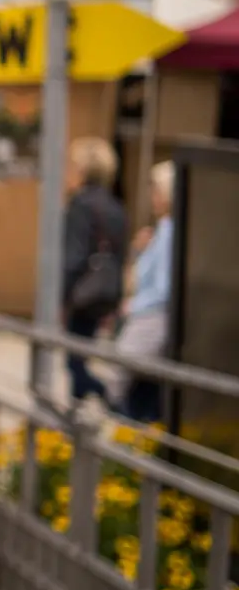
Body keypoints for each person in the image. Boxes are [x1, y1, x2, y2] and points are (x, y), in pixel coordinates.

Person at [105, 161, 175, 422]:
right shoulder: (160, 231)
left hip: (150, 321)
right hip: (146, 318)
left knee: (121, 392)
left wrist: (132, 305)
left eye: (156, 191)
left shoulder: (170, 232)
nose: (152, 197)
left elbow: (163, 289)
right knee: (140, 393)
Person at [61, 136, 128, 403]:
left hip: (83, 292)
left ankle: (109, 398)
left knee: (73, 362)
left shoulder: (80, 205)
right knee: (78, 357)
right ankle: (77, 417)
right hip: (106, 291)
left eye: (72, 165)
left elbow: (74, 257)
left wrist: (61, 298)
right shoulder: (116, 206)